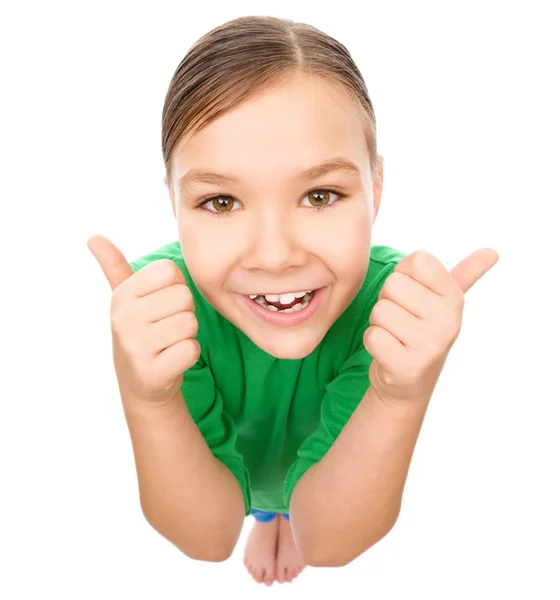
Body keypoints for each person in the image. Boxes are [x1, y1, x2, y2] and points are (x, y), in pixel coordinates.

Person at [87, 15, 498, 587]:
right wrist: (147, 397)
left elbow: (327, 543)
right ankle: (270, 512)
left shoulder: (392, 310)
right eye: (222, 202)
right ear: (174, 204)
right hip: (226, 469)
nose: (275, 255)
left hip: (330, 474)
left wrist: (399, 395)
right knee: (263, 492)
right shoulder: (164, 311)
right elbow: (207, 539)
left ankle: (276, 509)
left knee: (294, 496)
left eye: (320, 194)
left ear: (375, 189)